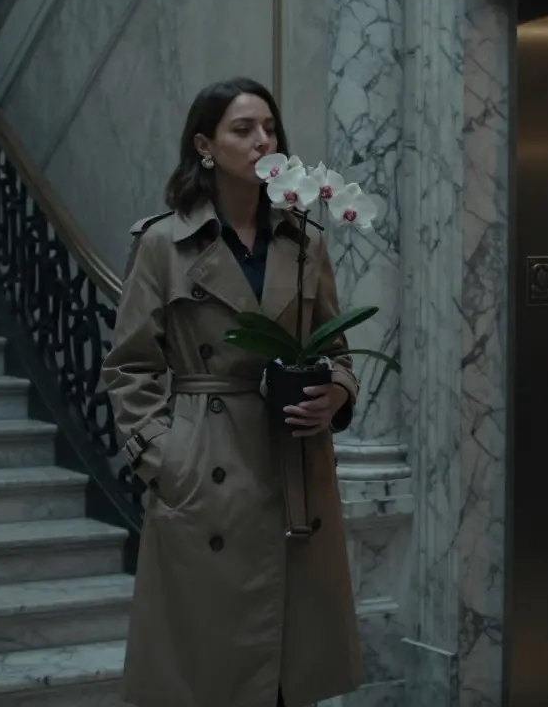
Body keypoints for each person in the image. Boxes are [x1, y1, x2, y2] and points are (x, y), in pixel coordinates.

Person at [101, 76, 364, 707]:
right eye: (243, 129)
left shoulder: (305, 240)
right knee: (209, 676)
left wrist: (336, 394)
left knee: (287, 677)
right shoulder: (163, 243)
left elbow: (336, 353)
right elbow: (130, 367)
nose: (262, 140)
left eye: (269, 128)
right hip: (207, 473)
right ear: (205, 146)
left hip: (292, 469)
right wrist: (168, 461)